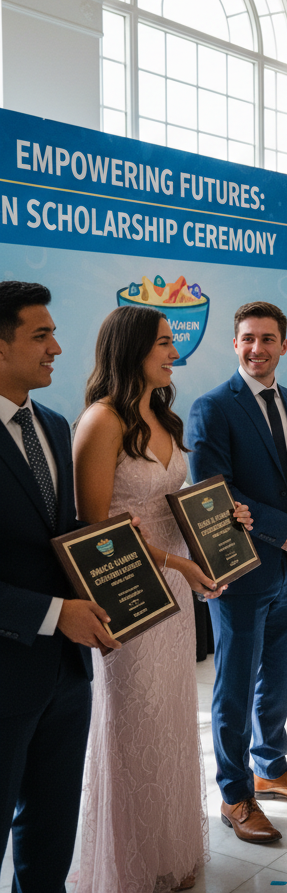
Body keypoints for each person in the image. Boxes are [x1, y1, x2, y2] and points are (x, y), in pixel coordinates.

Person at [75, 306, 252, 891]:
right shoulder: (101, 422)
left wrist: (225, 518)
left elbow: (182, 504)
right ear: (131, 349)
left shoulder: (165, 417)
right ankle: (128, 862)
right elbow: (94, 533)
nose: (174, 352)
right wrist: (176, 561)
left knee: (173, 721)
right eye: (163, 342)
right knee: (134, 723)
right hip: (131, 594)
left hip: (177, 590)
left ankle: (165, 851)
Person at [187, 301, 287, 845]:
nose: (257, 348)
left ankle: (272, 767)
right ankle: (234, 793)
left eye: (268, 339)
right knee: (235, 686)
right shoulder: (212, 408)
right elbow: (212, 490)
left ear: (284, 346)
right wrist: (280, 526)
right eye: (248, 338)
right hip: (240, 572)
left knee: (276, 679)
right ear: (234, 343)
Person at [0, 281, 111, 893]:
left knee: (50, 839)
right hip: (7, 671)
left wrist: (126, 585)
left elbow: (65, 535)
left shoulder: (53, 421)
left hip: (67, 675)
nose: (58, 349)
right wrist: (50, 614)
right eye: (41, 336)